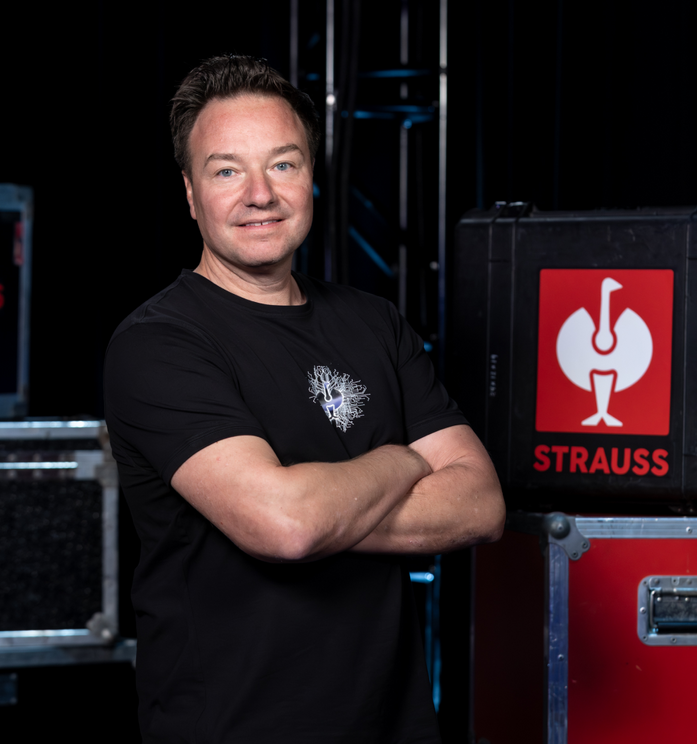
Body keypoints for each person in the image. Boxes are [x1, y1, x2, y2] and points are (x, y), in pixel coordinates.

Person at [103, 55, 506, 744]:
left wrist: (319, 511)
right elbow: (285, 525)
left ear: (311, 175)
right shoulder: (158, 344)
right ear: (191, 194)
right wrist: (405, 460)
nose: (259, 194)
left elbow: (481, 504)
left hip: (395, 727)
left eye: (282, 164)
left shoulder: (374, 322)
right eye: (226, 171)